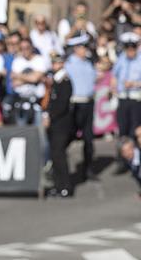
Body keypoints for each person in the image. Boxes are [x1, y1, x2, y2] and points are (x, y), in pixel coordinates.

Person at [64, 34, 97, 180]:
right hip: (75, 103)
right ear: (76, 49)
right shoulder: (68, 64)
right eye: (82, 47)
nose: (85, 50)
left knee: (88, 139)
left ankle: (88, 169)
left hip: (88, 102)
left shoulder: (88, 63)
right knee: (68, 136)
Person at [112, 32, 141, 137]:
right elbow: (114, 75)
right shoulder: (121, 59)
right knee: (122, 130)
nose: (130, 52)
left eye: (132, 49)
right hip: (123, 98)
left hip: (137, 100)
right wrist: (114, 89)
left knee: (135, 131)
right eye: (127, 49)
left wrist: (135, 84)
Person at [42, 54, 73, 197]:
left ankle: (65, 186)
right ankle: (58, 184)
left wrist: (51, 115)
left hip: (61, 123)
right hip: (54, 123)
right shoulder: (54, 81)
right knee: (54, 155)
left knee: (59, 155)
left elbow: (62, 105)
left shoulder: (64, 81)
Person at [11, 38, 47, 126]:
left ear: (32, 47)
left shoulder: (39, 60)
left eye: (27, 48)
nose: (25, 51)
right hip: (22, 101)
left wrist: (20, 77)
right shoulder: (17, 61)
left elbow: (35, 78)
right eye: (22, 48)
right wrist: (32, 77)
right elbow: (14, 83)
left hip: (37, 102)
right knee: (22, 132)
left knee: (38, 131)